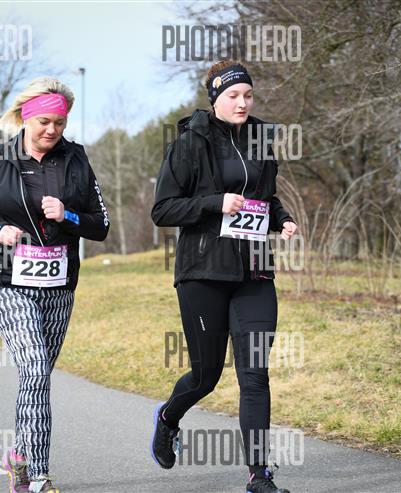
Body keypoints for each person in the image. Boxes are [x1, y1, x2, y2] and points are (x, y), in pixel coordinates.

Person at [0, 77, 110, 493]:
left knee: (37, 377)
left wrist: (68, 215)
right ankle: (36, 476)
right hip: (7, 281)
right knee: (36, 367)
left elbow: (101, 226)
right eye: (44, 121)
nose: (52, 130)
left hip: (58, 285)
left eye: (60, 122)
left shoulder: (77, 160)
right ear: (26, 118)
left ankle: (19, 456)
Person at [150, 60, 297, 493]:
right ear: (215, 98)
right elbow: (163, 209)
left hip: (254, 272)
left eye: (248, 95)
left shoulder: (261, 139)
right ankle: (168, 417)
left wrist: (281, 218)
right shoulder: (190, 142)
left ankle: (259, 475)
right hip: (203, 272)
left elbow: (264, 198)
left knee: (255, 375)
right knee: (206, 375)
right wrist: (215, 202)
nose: (242, 103)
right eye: (233, 95)